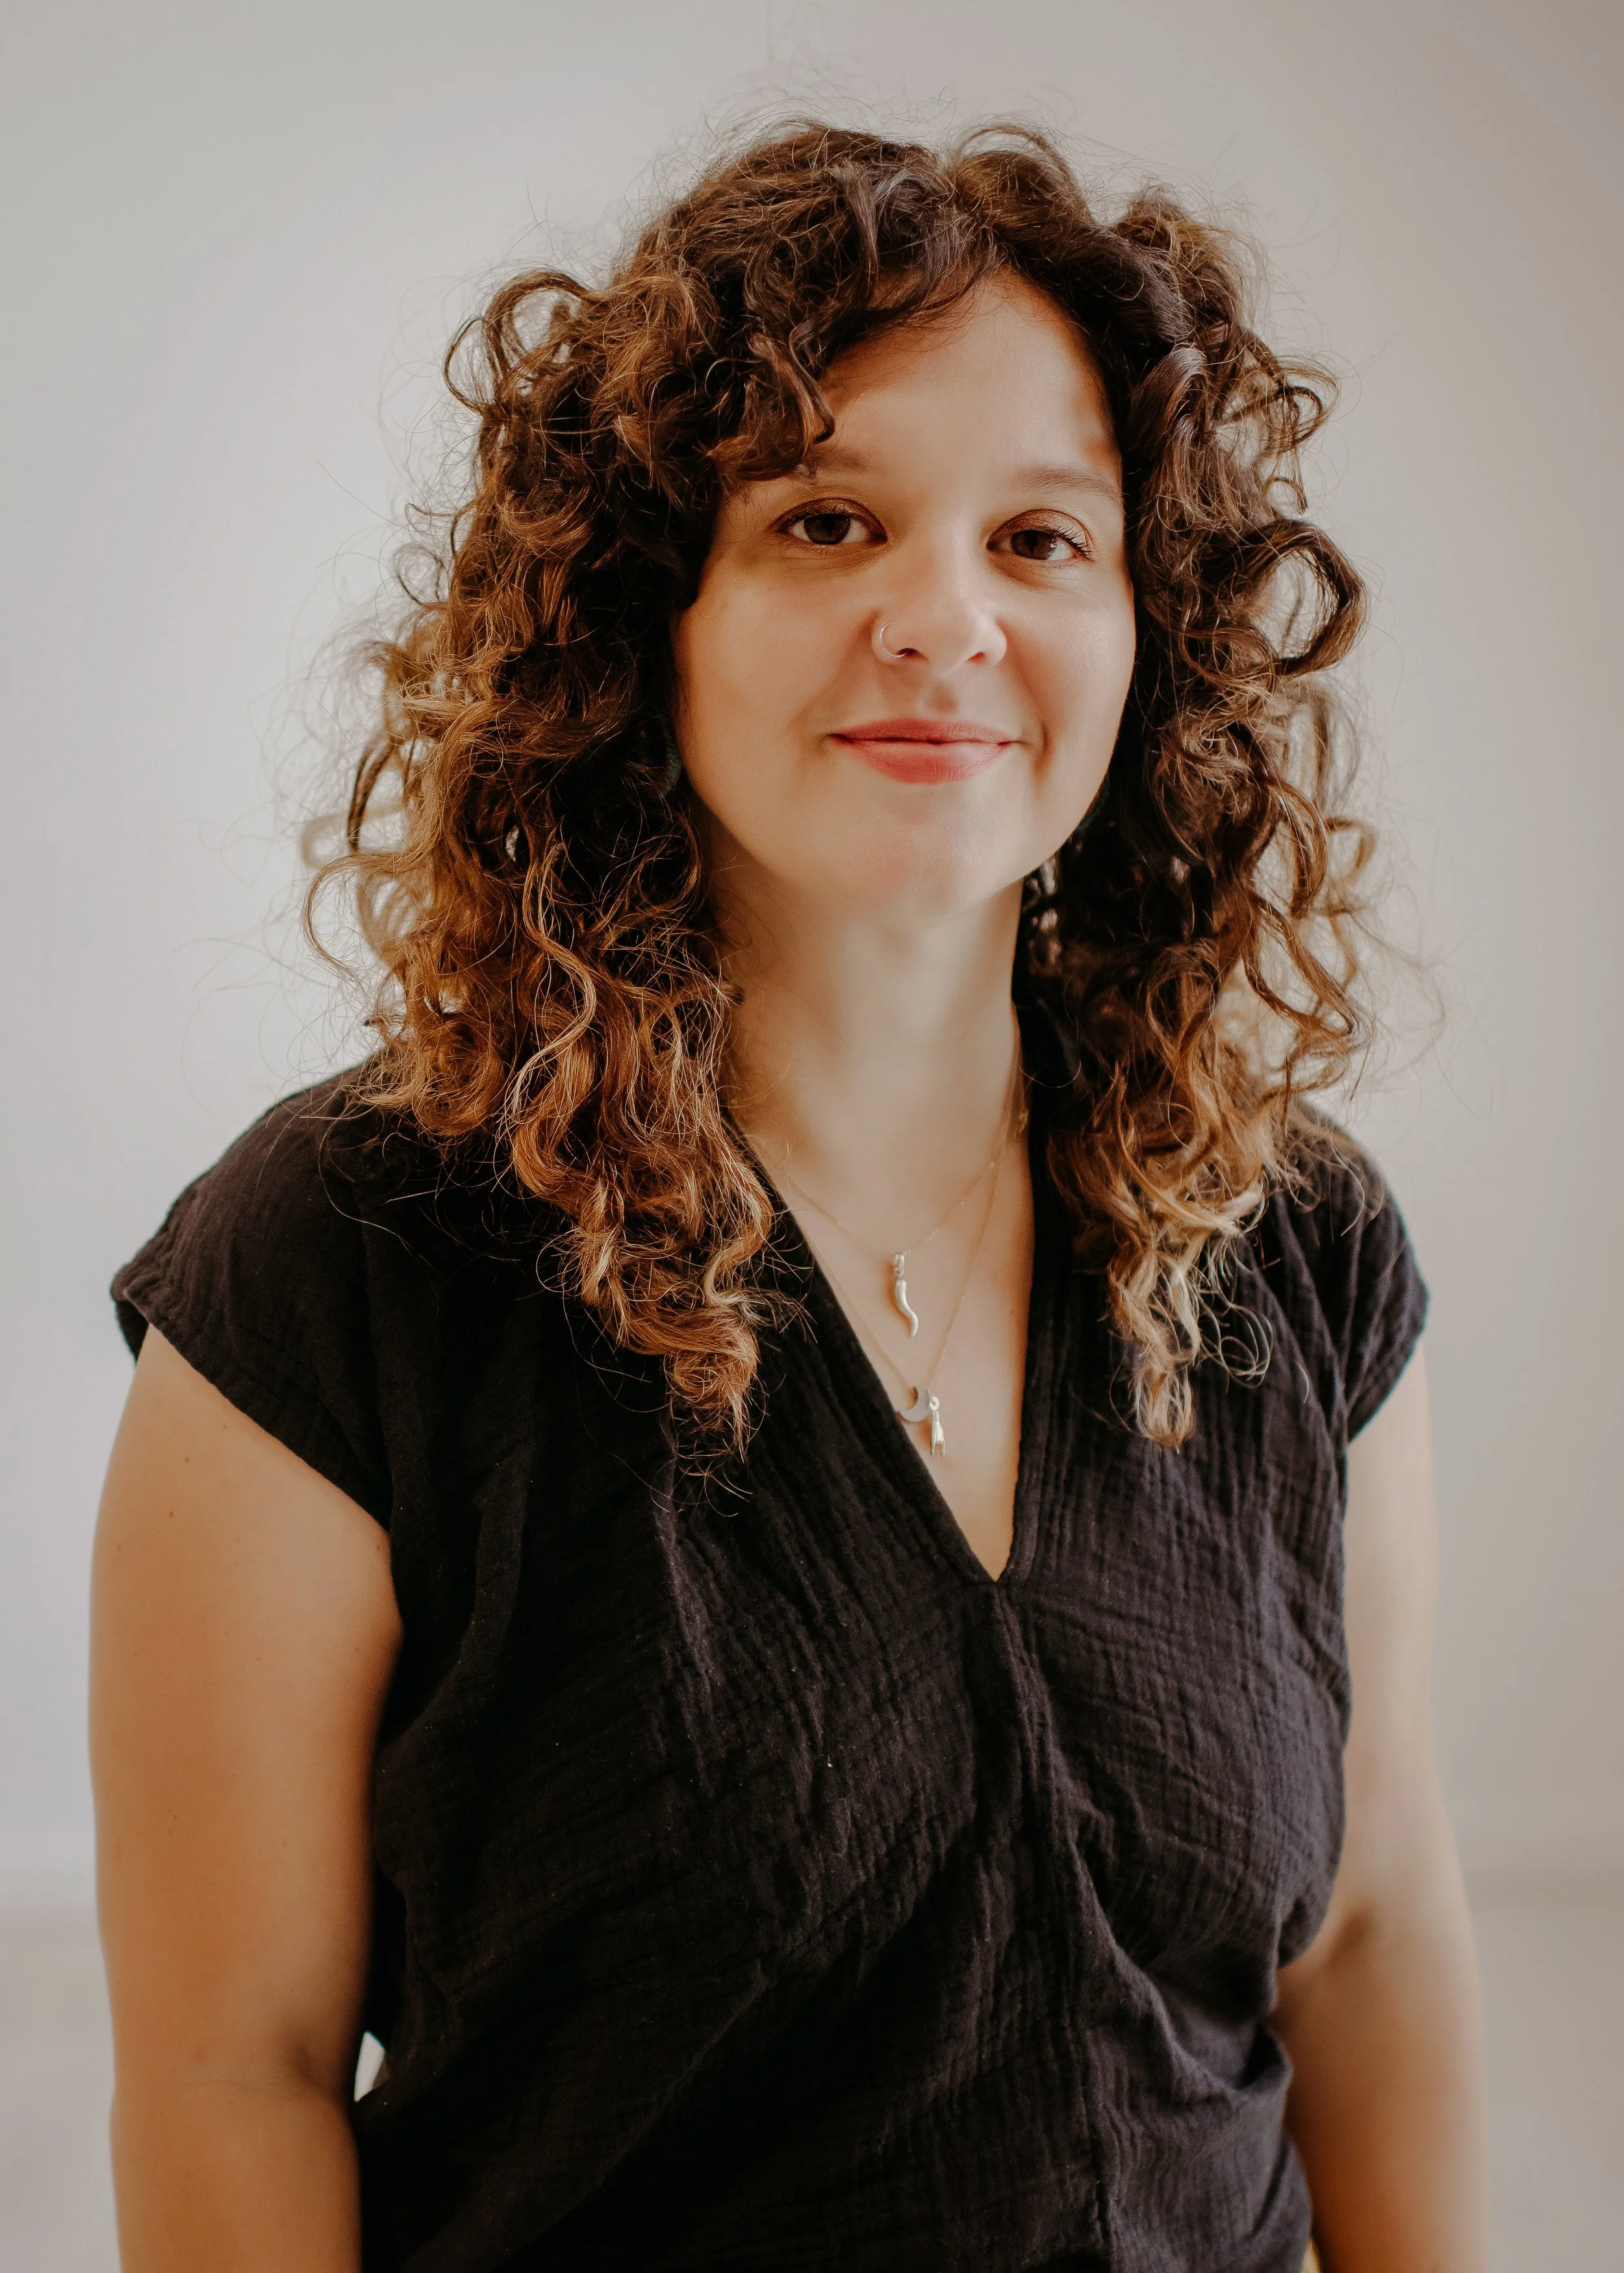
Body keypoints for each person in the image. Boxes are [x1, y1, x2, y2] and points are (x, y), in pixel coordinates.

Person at [90, 123, 1490, 2272]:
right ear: (643, 606)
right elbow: (230, 2077)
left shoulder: (1293, 1241)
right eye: (825, 520)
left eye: (1044, 539)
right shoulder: (339, 1263)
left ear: (1149, 628)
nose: (945, 619)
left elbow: (1368, 1945)